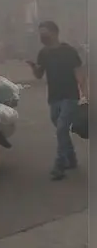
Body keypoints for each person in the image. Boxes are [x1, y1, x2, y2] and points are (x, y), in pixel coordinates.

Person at [27, 20, 88, 180]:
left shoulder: (69, 51)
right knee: (60, 128)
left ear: (54, 32)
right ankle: (72, 158)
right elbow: (39, 75)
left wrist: (85, 94)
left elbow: (79, 72)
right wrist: (34, 68)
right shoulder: (43, 53)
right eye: (40, 33)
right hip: (54, 97)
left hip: (70, 96)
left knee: (61, 128)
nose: (42, 36)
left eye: (44, 32)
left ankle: (60, 164)